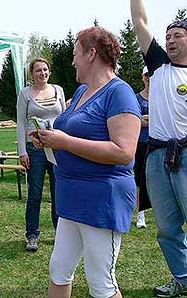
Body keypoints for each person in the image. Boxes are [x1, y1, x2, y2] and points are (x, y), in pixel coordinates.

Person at [29, 27, 141, 298]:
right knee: (59, 268)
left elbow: (123, 151)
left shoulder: (119, 93)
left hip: (101, 199)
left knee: (101, 281)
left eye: (75, 54)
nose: (72, 61)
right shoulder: (80, 93)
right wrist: (48, 138)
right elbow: (70, 132)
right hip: (71, 198)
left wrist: (64, 142)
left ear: (91, 54)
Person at [131, 0, 187, 297]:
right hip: (156, 156)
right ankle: (182, 277)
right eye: (167, 36)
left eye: (178, 35)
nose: (170, 39)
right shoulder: (159, 65)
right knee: (167, 227)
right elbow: (140, 21)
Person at [16, 57, 66, 251]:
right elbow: (20, 123)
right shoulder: (25, 94)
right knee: (34, 194)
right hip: (35, 149)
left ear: (49, 72)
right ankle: (32, 234)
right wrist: (22, 152)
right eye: (38, 70)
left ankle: (60, 234)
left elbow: (65, 116)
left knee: (58, 193)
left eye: (45, 70)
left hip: (57, 147)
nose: (42, 73)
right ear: (32, 74)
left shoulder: (58, 90)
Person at [134, 66, 151, 229]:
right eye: (146, 75)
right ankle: (141, 213)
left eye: (151, 74)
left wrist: (146, 118)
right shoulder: (136, 98)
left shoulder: (161, 96)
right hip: (140, 142)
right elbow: (136, 121)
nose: (149, 78)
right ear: (142, 77)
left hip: (157, 142)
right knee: (139, 178)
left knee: (157, 178)